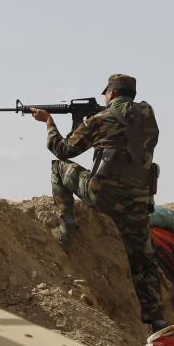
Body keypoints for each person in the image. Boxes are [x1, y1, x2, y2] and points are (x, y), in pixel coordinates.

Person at [30, 74, 166, 332]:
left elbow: (62, 149)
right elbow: (130, 124)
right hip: (138, 200)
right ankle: (157, 320)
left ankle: (66, 226)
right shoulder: (147, 115)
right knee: (143, 260)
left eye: (106, 94)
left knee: (58, 168)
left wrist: (48, 121)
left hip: (103, 196)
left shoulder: (99, 120)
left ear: (112, 93)